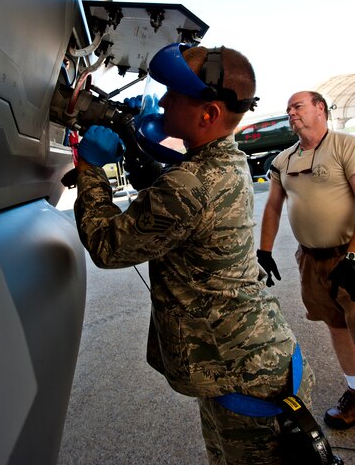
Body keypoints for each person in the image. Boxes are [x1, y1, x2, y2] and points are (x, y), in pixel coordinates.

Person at [74, 44, 314, 465]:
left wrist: (91, 168)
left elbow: (108, 245)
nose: (162, 101)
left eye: (173, 96)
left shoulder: (191, 184)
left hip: (247, 380)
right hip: (248, 363)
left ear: (208, 115)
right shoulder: (227, 160)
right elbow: (175, 178)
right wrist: (145, 135)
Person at [258, 90, 355, 430]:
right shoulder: (284, 159)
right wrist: (264, 251)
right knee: (337, 324)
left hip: (349, 254)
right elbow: (272, 206)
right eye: (288, 109)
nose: (291, 113)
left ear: (320, 109)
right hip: (311, 261)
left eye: (297, 106)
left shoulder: (345, 146)